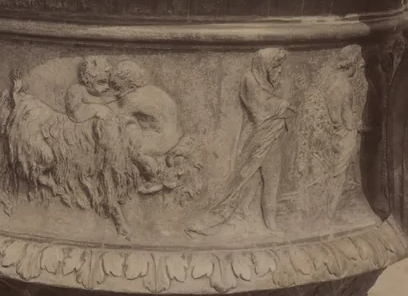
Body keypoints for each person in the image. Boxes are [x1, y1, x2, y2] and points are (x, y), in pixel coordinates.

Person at [190, 48, 292, 233]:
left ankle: (270, 222)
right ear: (265, 65)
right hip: (257, 138)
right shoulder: (250, 81)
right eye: (275, 66)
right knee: (241, 181)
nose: (279, 71)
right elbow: (259, 109)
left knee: (272, 180)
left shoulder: (272, 83)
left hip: (274, 137)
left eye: (280, 67)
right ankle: (221, 217)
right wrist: (281, 105)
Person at [109, 60, 182, 192]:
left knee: (134, 149)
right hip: (174, 133)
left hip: (162, 138)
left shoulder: (132, 98)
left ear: (130, 86)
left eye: (116, 88)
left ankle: (155, 178)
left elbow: (116, 116)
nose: (113, 93)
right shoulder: (151, 91)